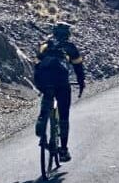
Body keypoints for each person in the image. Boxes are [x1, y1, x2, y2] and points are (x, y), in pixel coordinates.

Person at [33, 21, 85, 162]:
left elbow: (37, 63)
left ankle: (42, 118)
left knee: (48, 95)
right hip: (61, 82)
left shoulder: (45, 45)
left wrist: (38, 84)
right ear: (68, 34)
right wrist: (81, 84)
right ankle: (63, 150)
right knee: (63, 115)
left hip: (43, 80)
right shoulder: (70, 47)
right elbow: (78, 68)